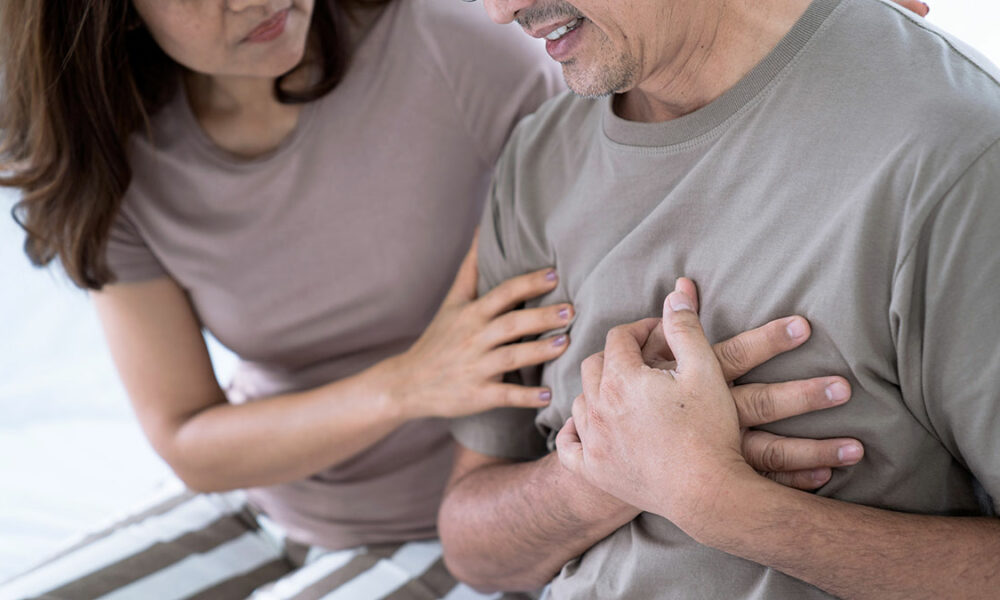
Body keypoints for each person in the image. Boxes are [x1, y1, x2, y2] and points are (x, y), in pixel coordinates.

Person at [0, 0, 868, 598]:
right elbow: (189, 437)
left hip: (464, 528)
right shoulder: (111, 153)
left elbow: (655, 105)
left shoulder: (451, 52)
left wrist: (816, 33)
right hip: (275, 502)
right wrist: (410, 382)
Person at [439, 0, 1000, 598]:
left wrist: (720, 504)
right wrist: (604, 470)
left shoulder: (955, 154)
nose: (501, 12)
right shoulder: (538, 157)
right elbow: (475, 551)